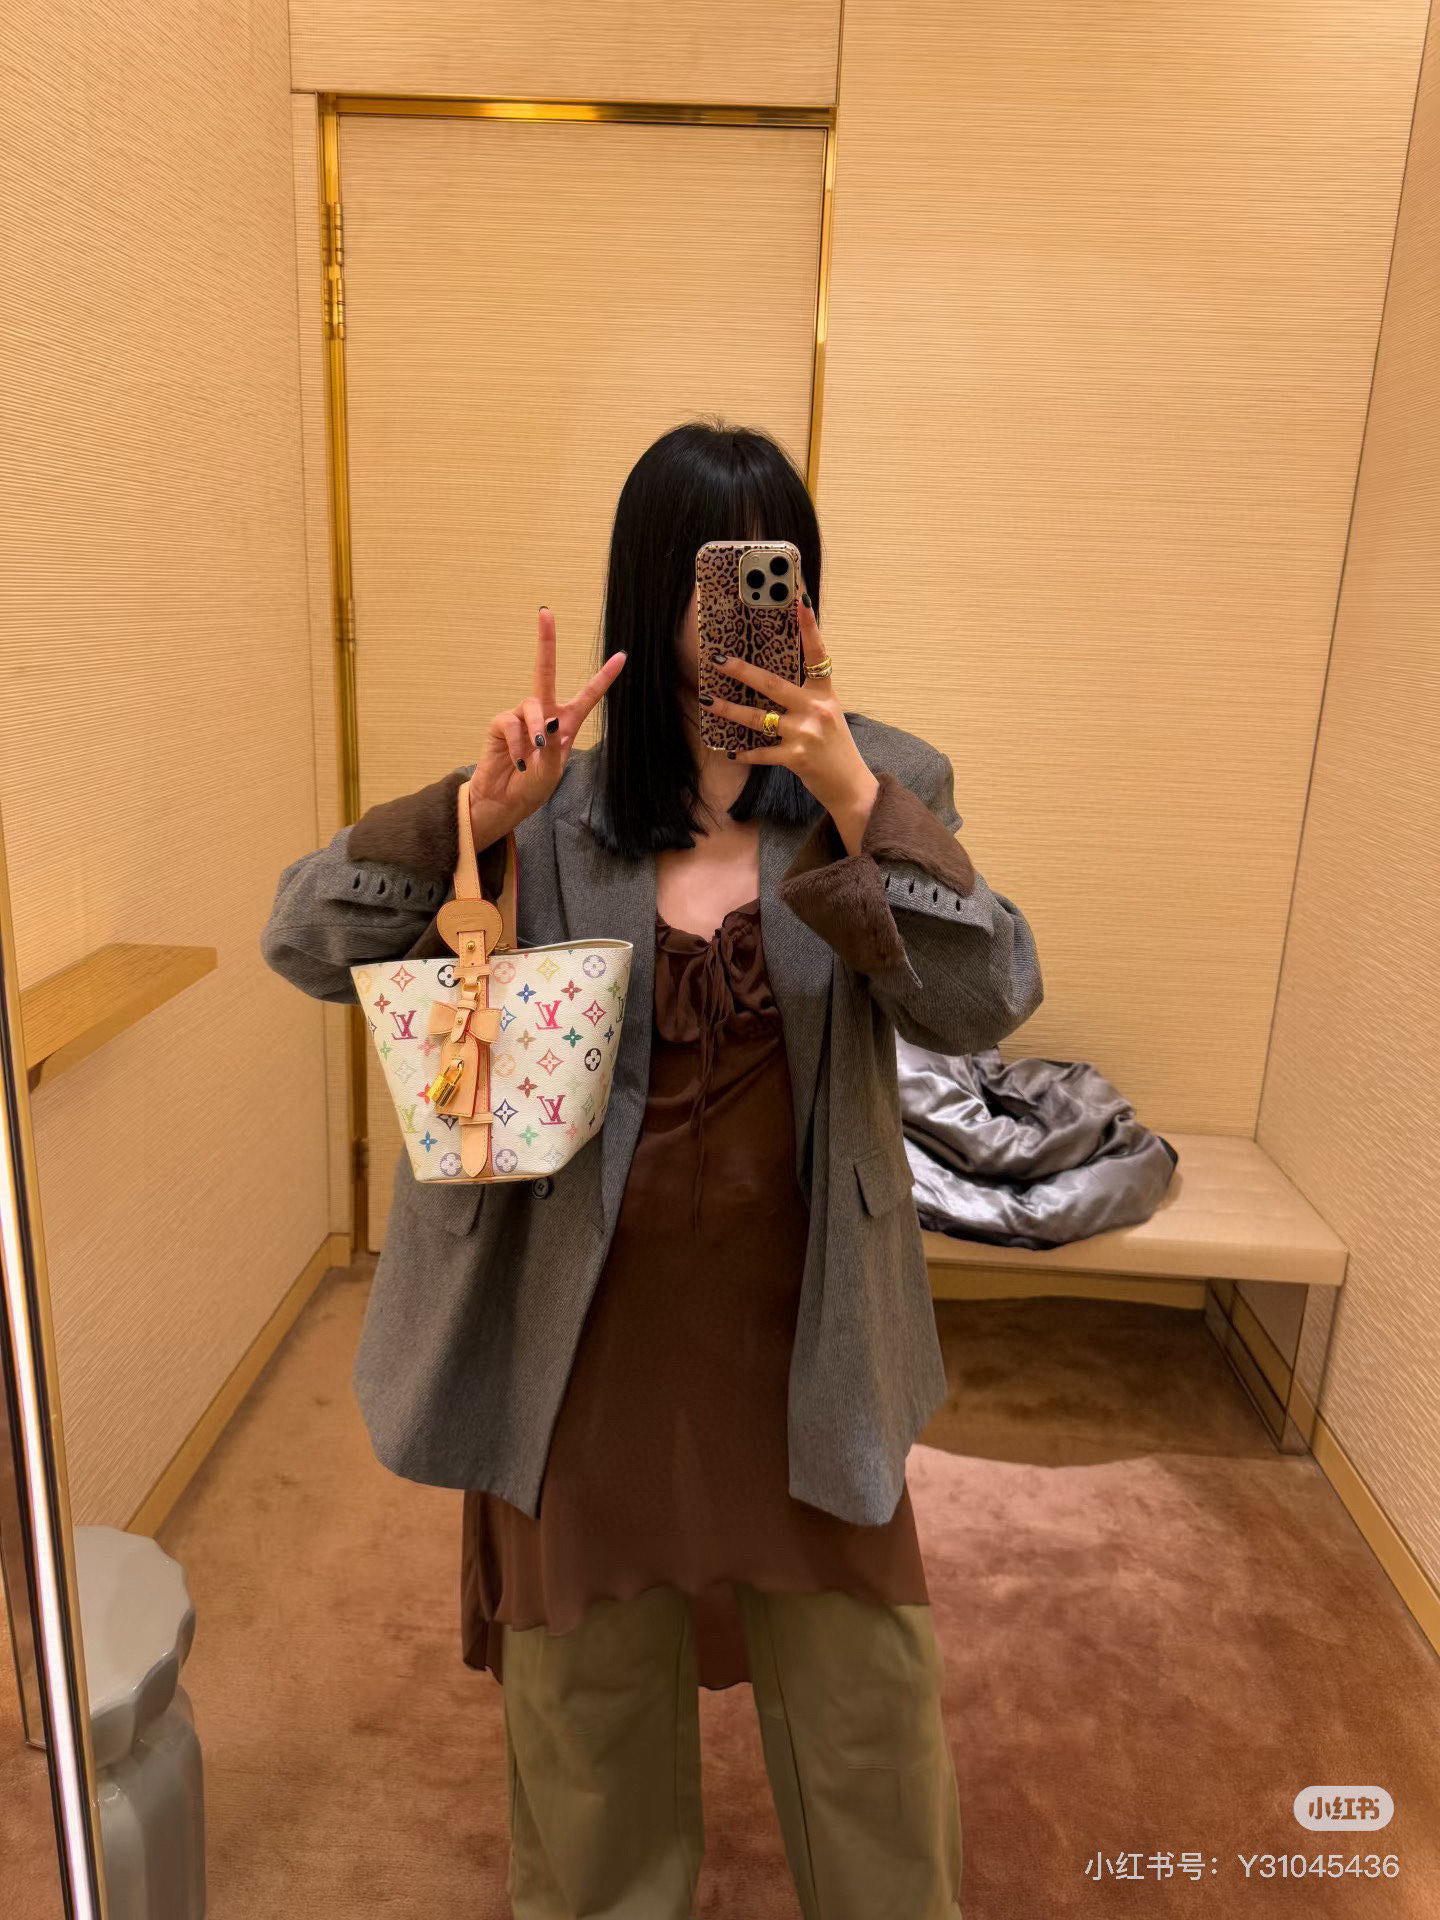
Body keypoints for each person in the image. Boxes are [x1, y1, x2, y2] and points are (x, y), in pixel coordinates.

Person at [261, 419, 1044, 1919]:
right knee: (592, 1749)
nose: (756, 604)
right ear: (652, 587)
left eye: (780, 566)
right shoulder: (552, 802)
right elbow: (304, 941)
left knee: (872, 1726)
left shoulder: (884, 781)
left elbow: (985, 999)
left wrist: (862, 808)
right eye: (719, 573)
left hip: (807, 1338)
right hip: (583, 1344)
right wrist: (466, 820)